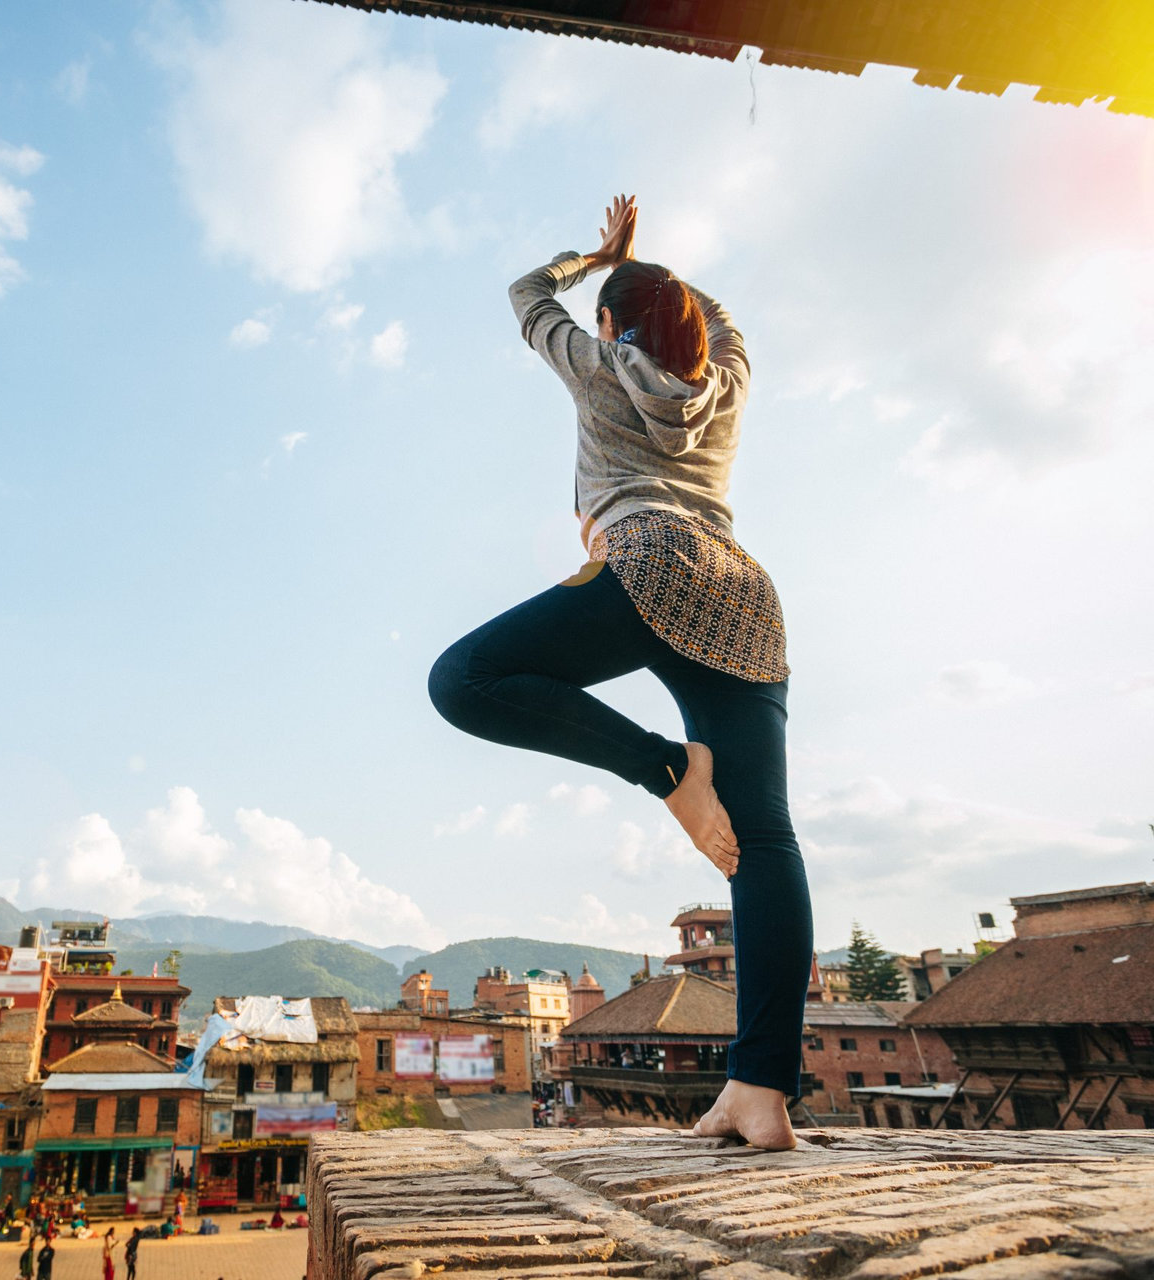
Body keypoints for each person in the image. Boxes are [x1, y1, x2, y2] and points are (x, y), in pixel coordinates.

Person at [428, 194, 810, 1151]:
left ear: (610, 324)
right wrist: (657, 274)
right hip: (743, 595)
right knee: (764, 842)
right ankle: (761, 1090)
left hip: (643, 563)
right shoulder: (729, 381)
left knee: (461, 681)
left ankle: (666, 770)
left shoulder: (600, 364)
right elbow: (722, 325)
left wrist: (595, 259)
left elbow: (525, 294)